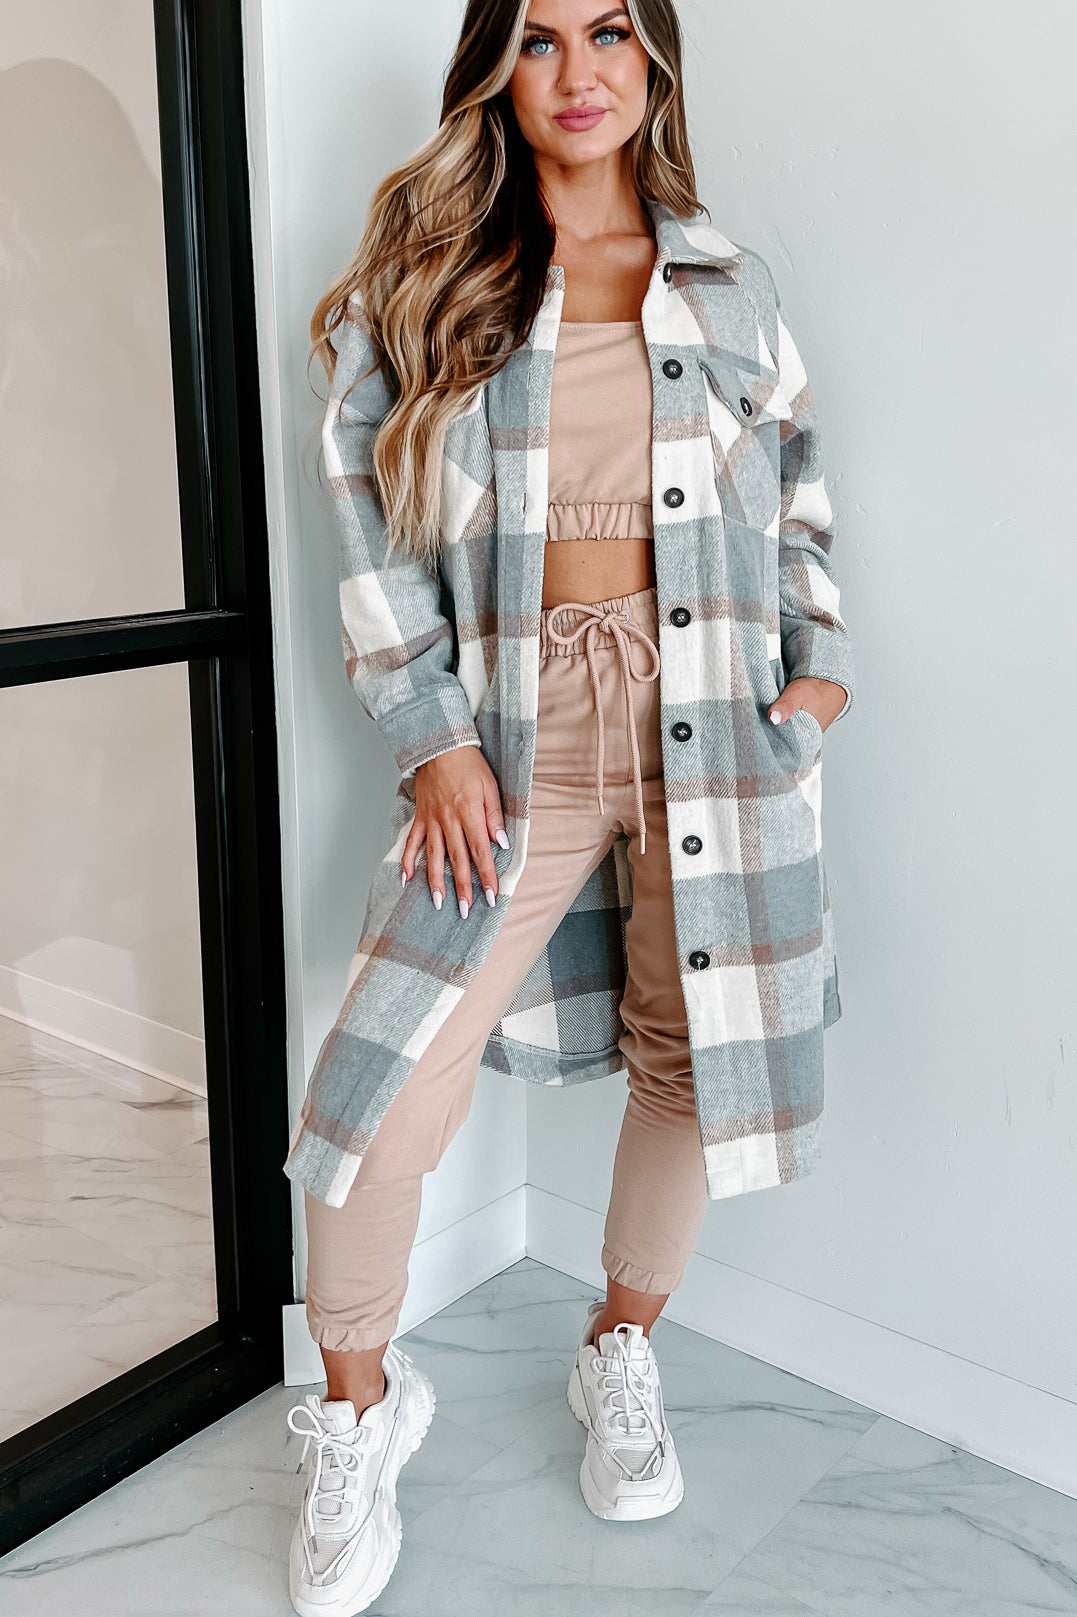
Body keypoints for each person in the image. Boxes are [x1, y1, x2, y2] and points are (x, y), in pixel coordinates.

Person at [284, 1, 855, 1611]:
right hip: (512, 734)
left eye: (609, 32)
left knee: (691, 1048)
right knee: (378, 1082)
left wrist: (813, 685)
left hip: (716, 723)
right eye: (537, 40)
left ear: (653, 62)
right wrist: (429, 736)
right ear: (496, 72)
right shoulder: (428, 286)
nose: (579, 70)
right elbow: (363, 525)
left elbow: (800, 506)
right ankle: (355, 1410)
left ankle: (619, 1342)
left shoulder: (730, 287)